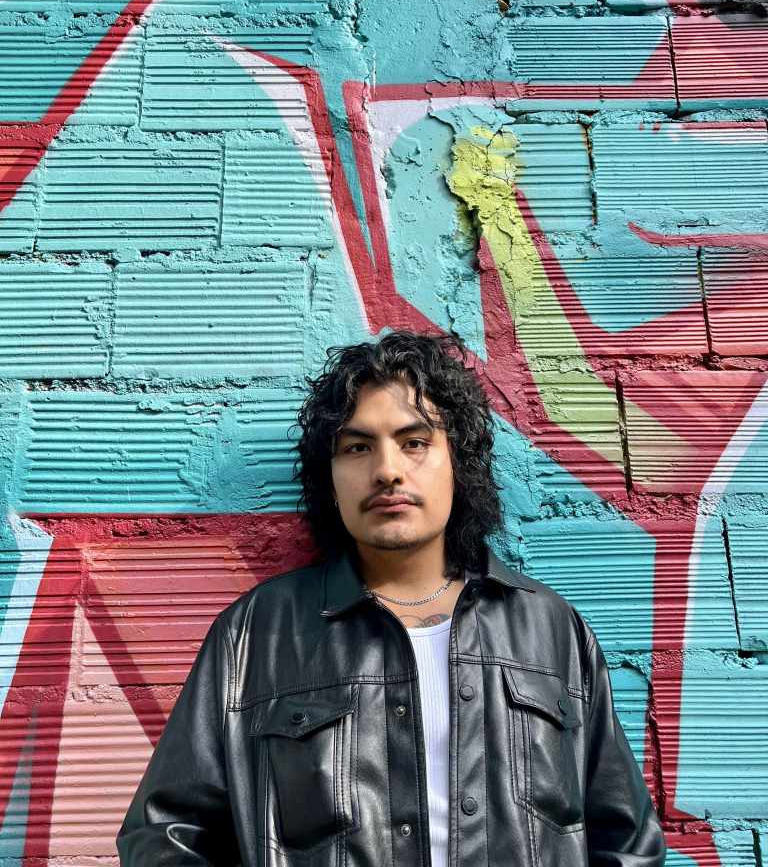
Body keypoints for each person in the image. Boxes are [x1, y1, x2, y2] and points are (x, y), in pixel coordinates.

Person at [116, 330, 667, 867]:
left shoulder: (550, 629)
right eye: (358, 447)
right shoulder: (255, 635)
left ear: (459, 463)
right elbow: (164, 835)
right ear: (331, 480)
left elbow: (628, 843)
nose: (387, 471)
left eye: (415, 442)